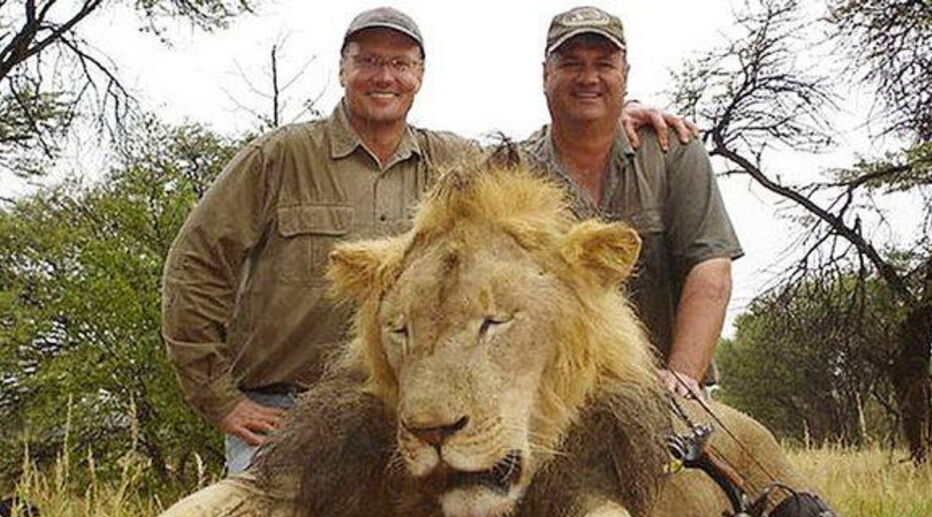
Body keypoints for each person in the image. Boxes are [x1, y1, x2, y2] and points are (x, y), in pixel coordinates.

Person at [162, 7, 697, 475]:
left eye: (400, 64)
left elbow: (534, 194)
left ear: (419, 75)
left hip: (394, 405)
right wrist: (221, 400)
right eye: (369, 61)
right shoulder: (278, 158)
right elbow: (195, 266)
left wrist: (605, 118)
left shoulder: (456, 164)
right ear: (342, 69)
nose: (384, 76)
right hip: (282, 407)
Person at [523, 6, 743, 399]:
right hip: (553, 397)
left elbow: (711, 269)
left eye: (604, 64)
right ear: (545, 75)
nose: (588, 77)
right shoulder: (514, 169)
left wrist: (682, 378)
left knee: (747, 455)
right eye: (571, 64)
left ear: (625, 75)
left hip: (664, 388)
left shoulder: (675, 151)